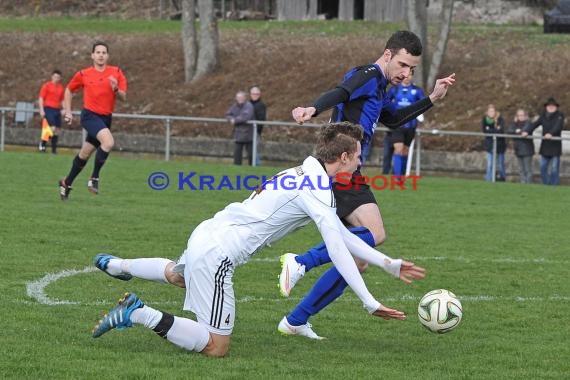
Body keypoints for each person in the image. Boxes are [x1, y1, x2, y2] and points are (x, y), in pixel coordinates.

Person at [90, 122, 426, 357]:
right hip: (219, 253)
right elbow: (338, 249)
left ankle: (119, 265)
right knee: (216, 346)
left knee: (180, 276)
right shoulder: (317, 188)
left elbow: (340, 234)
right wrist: (369, 302)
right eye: (357, 155)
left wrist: (389, 264)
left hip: (207, 231)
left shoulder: (303, 172)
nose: (360, 161)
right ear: (342, 157)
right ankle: (137, 313)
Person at [282, 30, 455, 338]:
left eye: (412, 69)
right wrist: (313, 108)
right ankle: (300, 262)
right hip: (339, 168)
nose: (407, 73)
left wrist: (431, 98)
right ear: (387, 55)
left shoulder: (381, 87)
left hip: (350, 170)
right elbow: (341, 92)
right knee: (374, 234)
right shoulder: (368, 75)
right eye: (403, 64)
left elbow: (395, 120)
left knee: (358, 259)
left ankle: (295, 321)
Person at [58, 41, 127, 200]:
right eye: (98, 52)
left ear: (108, 56)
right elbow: (68, 90)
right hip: (89, 116)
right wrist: (68, 111)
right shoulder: (83, 74)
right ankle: (94, 178)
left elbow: (123, 97)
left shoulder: (116, 72)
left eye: (104, 52)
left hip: (105, 118)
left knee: (85, 153)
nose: (101, 55)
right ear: (92, 55)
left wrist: (116, 88)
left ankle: (66, 183)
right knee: (108, 142)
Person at [386, 74, 426, 176]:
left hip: (411, 125)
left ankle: (402, 175)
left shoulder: (417, 90)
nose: (407, 77)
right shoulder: (394, 89)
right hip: (397, 124)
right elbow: (385, 101)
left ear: (412, 77)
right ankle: (397, 177)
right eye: (405, 76)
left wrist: (420, 115)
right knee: (398, 148)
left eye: (409, 76)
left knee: (405, 151)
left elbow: (424, 104)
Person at [522, 97, 565, 186]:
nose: (550, 108)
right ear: (546, 107)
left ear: (556, 107)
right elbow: (535, 124)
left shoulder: (560, 115)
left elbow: (558, 127)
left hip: (555, 146)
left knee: (554, 169)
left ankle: (554, 186)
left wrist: (551, 134)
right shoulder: (543, 116)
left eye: (553, 106)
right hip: (545, 146)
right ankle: (546, 184)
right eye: (549, 106)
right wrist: (527, 131)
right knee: (542, 167)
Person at [38, 69, 64, 154]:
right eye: (55, 77)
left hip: (57, 110)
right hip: (48, 109)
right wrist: (41, 110)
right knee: (52, 128)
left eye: (58, 77)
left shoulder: (61, 88)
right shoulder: (47, 86)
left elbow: (62, 100)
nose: (56, 78)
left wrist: (64, 109)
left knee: (56, 130)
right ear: (52, 76)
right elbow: (41, 98)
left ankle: (53, 150)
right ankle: (42, 144)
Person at [226, 90, 254, 165]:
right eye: (238, 97)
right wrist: (230, 119)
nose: (239, 99)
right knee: (237, 153)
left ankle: (252, 167)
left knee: (251, 154)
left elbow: (246, 117)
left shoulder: (249, 106)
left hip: (249, 134)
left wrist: (235, 120)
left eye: (241, 97)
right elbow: (228, 114)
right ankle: (237, 167)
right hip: (238, 134)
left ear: (245, 98)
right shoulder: (235, 106)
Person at [507, 109, 534, 184]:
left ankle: (528, 184)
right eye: (519, 115)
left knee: (527, 169)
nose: (520, 117)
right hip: (518, 149)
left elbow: (524, 131)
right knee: (521, 169)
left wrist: (518, 132)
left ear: (525, 116)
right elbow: (509, 130)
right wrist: (516, 131)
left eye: (522, 115)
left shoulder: (529, 123)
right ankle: (522, 183)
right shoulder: (515, 123)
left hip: (527, 149)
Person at [482, 104, 506, 182]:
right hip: (489, 145)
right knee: (490, 164)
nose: (491, 113)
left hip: (500, 145)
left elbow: (500, 131)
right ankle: (489, 179)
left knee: (500, 164)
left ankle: (502, 179)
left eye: (493, 111)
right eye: (490, 111)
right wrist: (495, 130)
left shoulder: (500, 119)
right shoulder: (485, 120)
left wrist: (491, 130)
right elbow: (485, 131)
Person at [249, 85, 267, 166]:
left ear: (259, 95)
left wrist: (257, 131)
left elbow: (261, 119)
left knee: (254, 149)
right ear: (250, 94)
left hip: (255, 131)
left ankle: (257, 164)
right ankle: (253, 164)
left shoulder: (261, 105)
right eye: (253, 94)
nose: (255, 95)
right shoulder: (248, 104)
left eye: (256, 94)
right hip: (247, 131)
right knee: (251, 149)